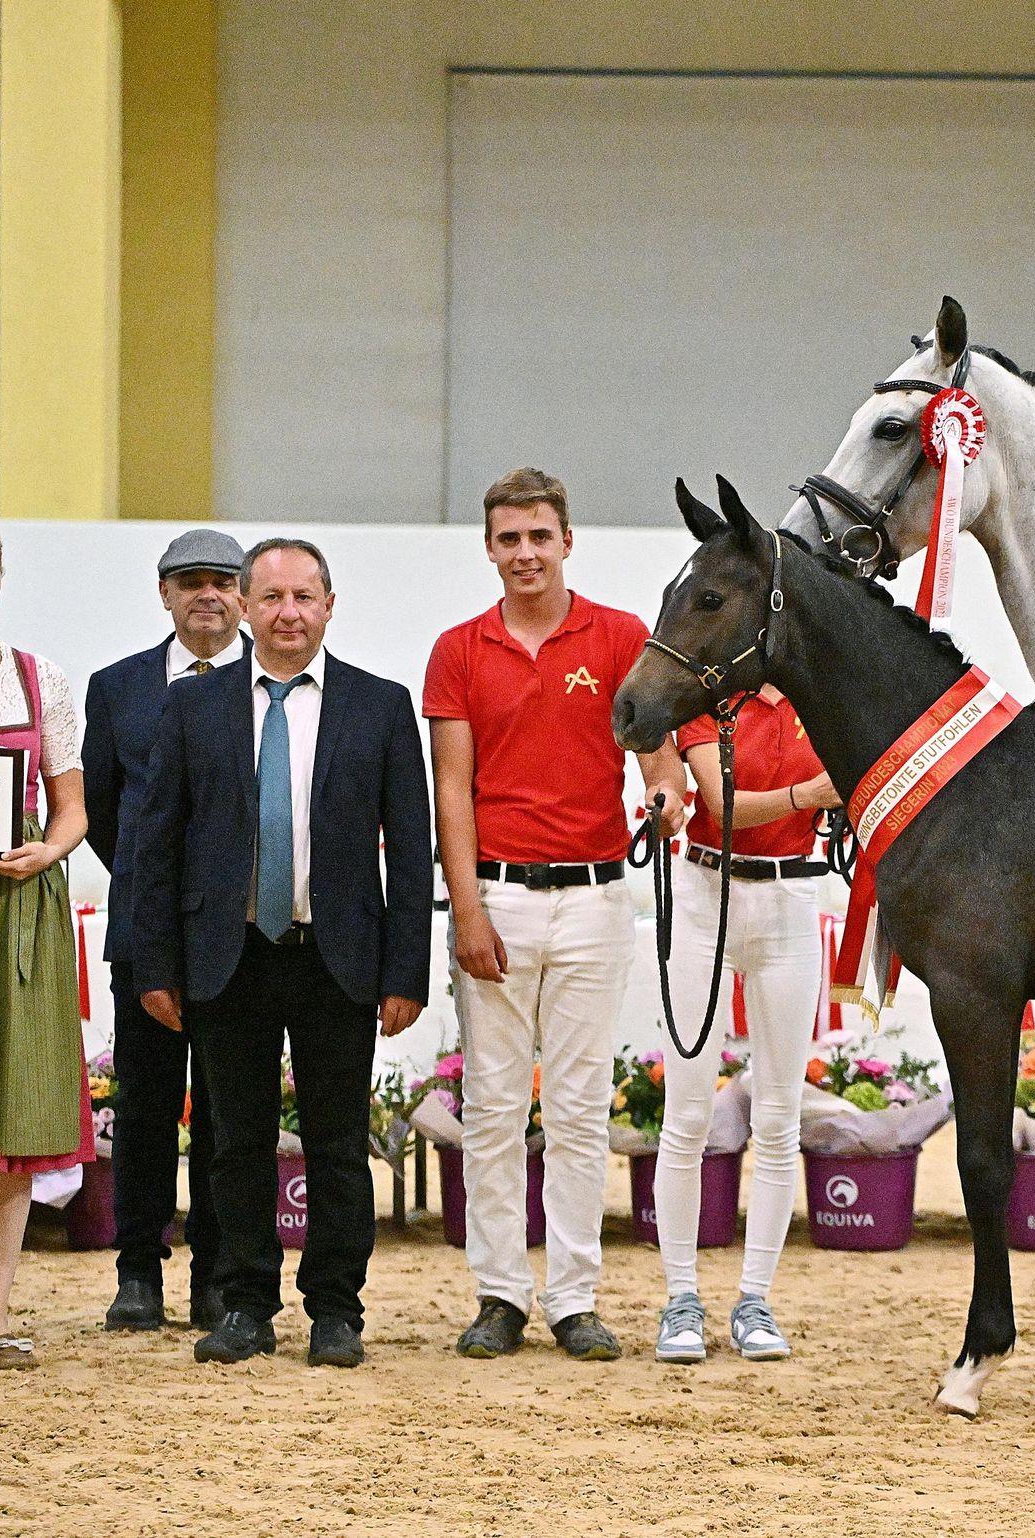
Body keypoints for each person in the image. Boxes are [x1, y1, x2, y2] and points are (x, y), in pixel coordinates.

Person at [133, 538, 431, 1369]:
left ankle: (336, 1310)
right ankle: (244, 1303)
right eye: (270, 597)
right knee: (236, 1143)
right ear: (244, 607)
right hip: (228, 955)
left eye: (304, 596)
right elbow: (157, 843)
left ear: (329, 605)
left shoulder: (380, 706)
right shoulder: (193, 706)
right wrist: (156, 966)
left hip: (338, 957)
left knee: (337, 1144)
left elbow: (412, 852)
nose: (287, 613)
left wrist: (405, 970)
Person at [424, 468, 676, 1363]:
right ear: (489, 548)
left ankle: (574, 1298)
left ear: (568, 540)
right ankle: (500, 1294)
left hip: (598, 897)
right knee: (493, 1108)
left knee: (578, 1109)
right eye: (509, 539)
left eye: (539, 536)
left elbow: (658, 755)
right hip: (496, 896)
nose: (525, 553)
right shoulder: (458, 650)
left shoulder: (621, 636)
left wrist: (664, 797)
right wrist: (465, 910)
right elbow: (452, 790)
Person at [83, 529, 249, 1334]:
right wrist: (159, 894)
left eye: (222, 580)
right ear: (164, 594)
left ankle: (215, 1276)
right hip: (146, 933)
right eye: (190, 582)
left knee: (227, 1112)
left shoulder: (270, 685)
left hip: (240, 935)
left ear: (243, 594)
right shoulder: (117, 688)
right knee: (145, 1108)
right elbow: (103, 812)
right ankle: (138, 1274)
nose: (206, 594)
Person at [651, 681, 840, 1365]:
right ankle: (681, 1297)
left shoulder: (819, 697)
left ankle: (755, 1298)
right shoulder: (713, 698)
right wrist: (811, 795)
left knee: (780, 1114)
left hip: (792, 894)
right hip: (708, 892)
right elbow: (723, 803)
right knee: (687, 1111)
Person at [0, 517, 94, 1369]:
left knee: (9, 1122)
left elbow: (73, 811)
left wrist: (46, 853)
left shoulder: (37, 677)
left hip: (17, 910)